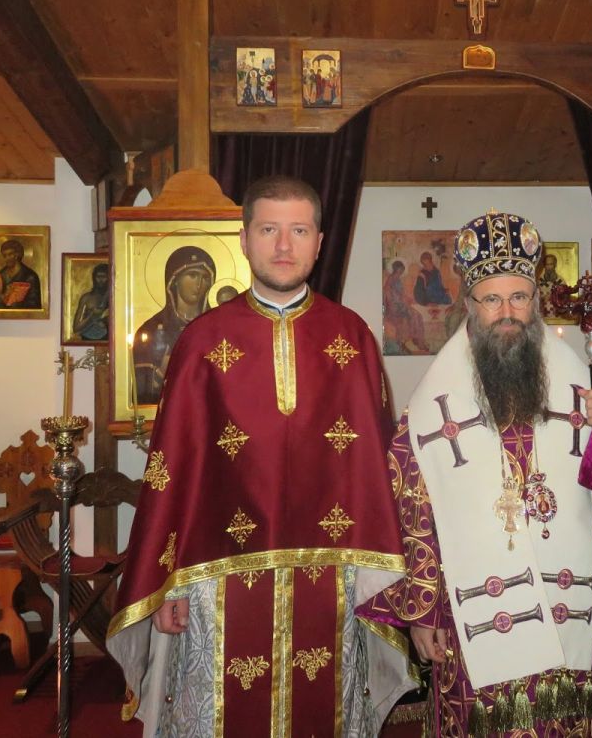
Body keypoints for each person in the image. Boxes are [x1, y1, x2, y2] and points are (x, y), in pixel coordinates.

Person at [107, 176, 407, 737]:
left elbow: (374, 473)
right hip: (216, 577)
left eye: (299, 231)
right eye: (269, 230)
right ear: (244, 240)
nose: (284, 246)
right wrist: (169, 583)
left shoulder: (352, 337)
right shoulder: (201, 341)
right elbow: (173, 472)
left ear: (320, 242)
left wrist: (378, 584)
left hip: (332, 577)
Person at [359, 209, 592, 736]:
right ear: (469, 306)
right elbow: (411, 511)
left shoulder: (577, 382)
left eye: (518, 298)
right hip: (472, 620)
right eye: (491, 300)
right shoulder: (430, 406)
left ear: (535, 302)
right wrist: (424, 613)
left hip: (573, 611)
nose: (506, 313)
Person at [132, 246, 215, 405]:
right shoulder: (149, 331)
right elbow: (140, 393)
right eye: (192, 275)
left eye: (205, 278)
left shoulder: (218, 327)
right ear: (175, 280)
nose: (199, 284)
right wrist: (160, 374)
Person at [0, 238, 42, 309]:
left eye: (10, 254)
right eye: (5, 256)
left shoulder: (30, 276)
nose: (7, 258)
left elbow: (35, 305)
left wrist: (17, 302)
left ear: (17, 255)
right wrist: (2, 297)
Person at [71, 263, 110, 342]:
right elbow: (76, 328)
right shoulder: (86, 298)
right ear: (94, 278)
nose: (101, 280)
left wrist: (105, 320)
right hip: (87, 338)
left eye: (104, 277)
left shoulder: (113, 298)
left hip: (107, 338)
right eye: (98, 277)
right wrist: (92, 316)